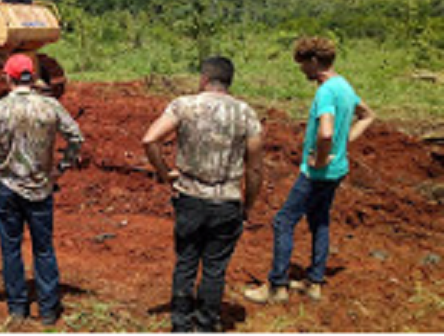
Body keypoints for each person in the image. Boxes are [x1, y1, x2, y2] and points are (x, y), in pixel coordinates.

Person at [244, 36, 375, 304]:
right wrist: (346, 139)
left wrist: (322, 157)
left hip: (318, 173)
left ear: (315, 62)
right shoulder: (344, 86)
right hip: (338, 170)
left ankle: (276, 286)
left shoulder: (326, 90)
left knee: (283, 221)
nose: (302, 69)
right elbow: (368, 115)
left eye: (303, 64)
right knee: (320, 221)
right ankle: (314, 282)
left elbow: (325, 133)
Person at [142, 56, 264, 333]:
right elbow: (255, 170)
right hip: (227, 200)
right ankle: (206, 324)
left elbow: (150, 139)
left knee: (186, 261)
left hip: (190, 197)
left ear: (204, 79)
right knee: (214, 268)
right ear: (229, 82)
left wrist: (165, 173)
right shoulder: (246, 114)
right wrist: (248, 205)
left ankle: (181, 323)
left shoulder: (184, 105)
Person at [0, 54, 84, 326]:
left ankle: (17, 308)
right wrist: (61, 167)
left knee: (11, 249)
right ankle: (48, 311)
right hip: (41, 188)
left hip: (8, 187)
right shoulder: (50, 106)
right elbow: (76, 137)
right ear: (32, 77)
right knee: (44, 249)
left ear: (8, 77)